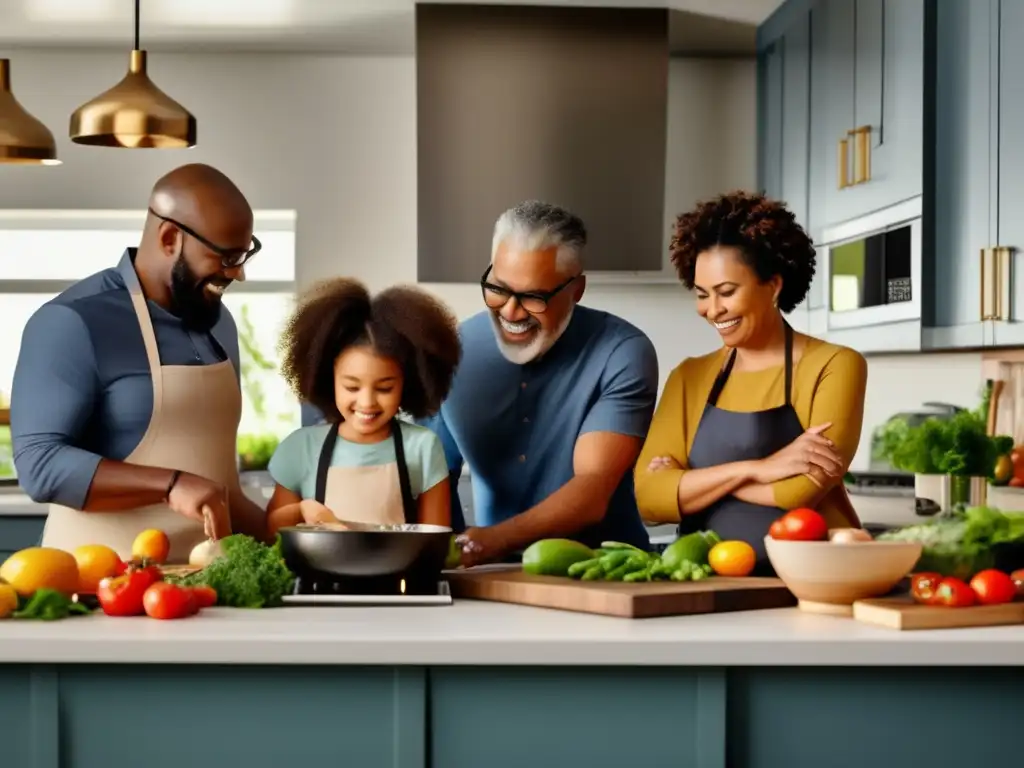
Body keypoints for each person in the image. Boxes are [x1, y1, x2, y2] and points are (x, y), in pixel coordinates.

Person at [10, 163, 268, 562]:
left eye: (244, 253)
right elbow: (40, 465)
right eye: (226, 256)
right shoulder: (72, 321)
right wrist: (171, 484)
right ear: (170, 238)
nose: (238, 273)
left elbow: (222, 491)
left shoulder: (219, 322)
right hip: (99, 587)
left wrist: (304, 535)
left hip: (207, 590)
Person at [635, 190, 867, 573]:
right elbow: (647, 498)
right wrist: (758, 469)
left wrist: (687, 484)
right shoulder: (689, 377)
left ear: (773, 285)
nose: (713, 310)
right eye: (702, 295)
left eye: (727, 292)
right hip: (704, 578)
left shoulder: (834, 365)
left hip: (810, 580)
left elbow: (798, 491)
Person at [419, 200, 659, 566]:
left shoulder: (624, 352)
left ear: (576, 290)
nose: (511, 312)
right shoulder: (451, 350)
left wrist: (492, 541)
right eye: (498, 288)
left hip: (607, 571)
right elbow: (431, 474)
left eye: (533, 297)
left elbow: (592, 488)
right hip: (489, 575)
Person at [264, 278, 460, 536]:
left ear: (408, 381)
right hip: (321, 576)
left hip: (401, 576)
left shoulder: (423, 448)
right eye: (352, 387)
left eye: (384, 388)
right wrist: (302, 510)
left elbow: (435, 542)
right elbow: (269, 532)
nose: (367, 402)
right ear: (327, 376)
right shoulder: (300, 448)